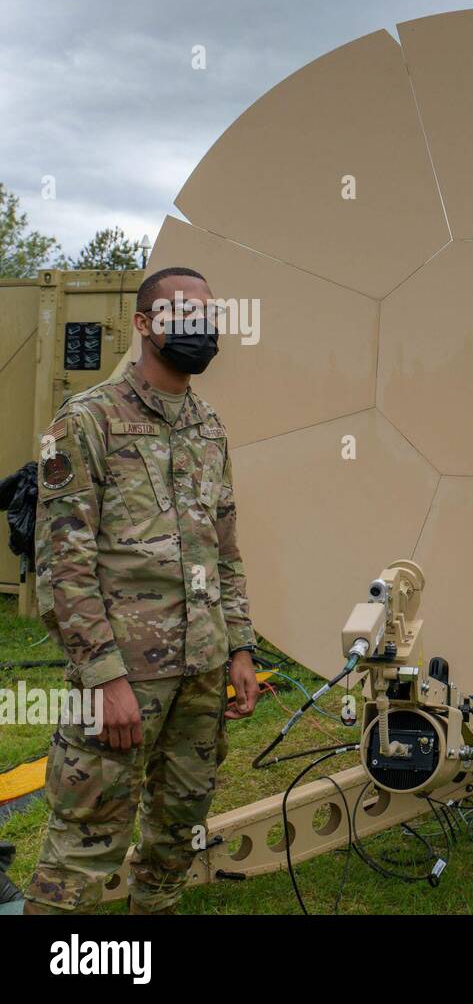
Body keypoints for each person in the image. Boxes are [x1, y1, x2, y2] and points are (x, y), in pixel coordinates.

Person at [23, 267, 259, 914]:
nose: (200, 328)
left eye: (209, 317)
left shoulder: (209, 428)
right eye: (183, 315)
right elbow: (63, 568)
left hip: (203, 674)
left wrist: (239, 648)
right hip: (124, 678)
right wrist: (103, 677)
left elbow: (226, 552)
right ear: (143, 324)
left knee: (174, 842)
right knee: (82, 849)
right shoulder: (85, 423)